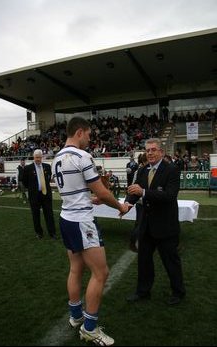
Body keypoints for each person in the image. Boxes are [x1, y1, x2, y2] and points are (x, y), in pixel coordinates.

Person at [52, 117, 128, 346]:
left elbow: (74, 189)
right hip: (82, 222)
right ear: (79, 132)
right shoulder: (82, 156)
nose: (89, 138)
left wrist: (87, 198)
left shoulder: (56, 156)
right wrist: (120, 206)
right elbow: (104, 193)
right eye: (88, 134)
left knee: (75, 269)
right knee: (101, 273)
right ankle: (90, 328)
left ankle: (76, 317)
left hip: (66, 217)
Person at [123, 138, 186, 305]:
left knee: (170, 262)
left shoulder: (172, 170)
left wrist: (144, 192)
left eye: (153, 150)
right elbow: (134, 192)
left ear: (162, 152)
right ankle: (143, 292)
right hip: (146, 226)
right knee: (144, 262)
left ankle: (178, 292)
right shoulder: (143, 171)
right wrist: (126, 205)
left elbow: (169, 196)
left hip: (166, 226)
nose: (149, 153)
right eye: (147, 150)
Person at [22, 149, 57, 240]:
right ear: (33, 157)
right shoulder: (27, 168)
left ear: (42, 157)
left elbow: (48, 179)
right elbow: (25, 182)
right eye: (36, 157)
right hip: (34, 196)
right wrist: (33, 188)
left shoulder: (47, 166)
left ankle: (52, 232)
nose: (38, 159)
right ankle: (39, 233)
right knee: (35, 215)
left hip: (46, 194)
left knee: (49, 214)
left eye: (39, 157)